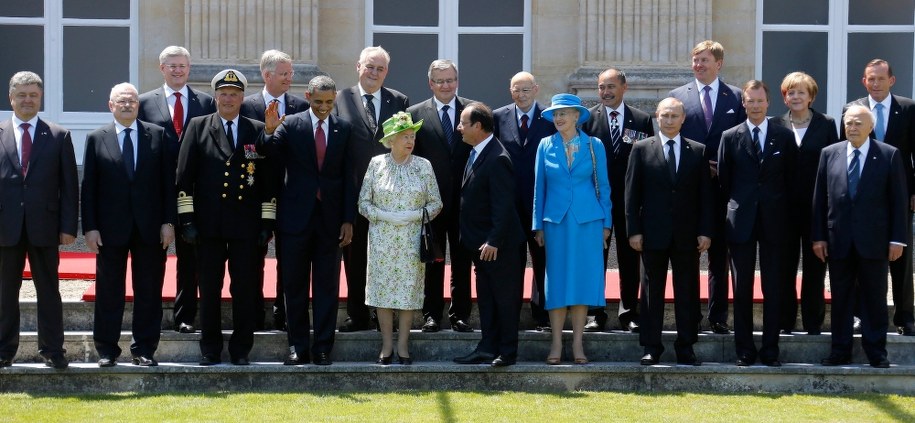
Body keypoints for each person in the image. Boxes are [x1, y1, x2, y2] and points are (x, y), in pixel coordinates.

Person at [176, 69, 276, 366]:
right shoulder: (197, 126)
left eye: (234, 94)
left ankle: (241, 349)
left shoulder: (257, 128)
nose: (228, 99)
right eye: (223, 94)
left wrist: (266, 222)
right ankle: (210, 348)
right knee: (209, 287)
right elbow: (183, 178)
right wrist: (187, 220)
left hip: (246, 226)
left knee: (244, 288)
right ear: (216, 96)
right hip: (209, 225)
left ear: (242, 98)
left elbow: (268, 179)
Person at [258, 75, 354, 366]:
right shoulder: (291, 124)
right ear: (307, 96)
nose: (324, 107)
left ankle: (323, 347)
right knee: (294, 286)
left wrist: (348, 219)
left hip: (331, 220)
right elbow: (268, 158)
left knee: (327, 287)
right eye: (318, 101)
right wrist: (268, 132)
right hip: (294, 220)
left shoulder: (344, 128)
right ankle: (297, 347)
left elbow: (349, 177)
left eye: (329, 102)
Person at [82, 83, 176, 367]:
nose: (127, 105)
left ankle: (144, 349)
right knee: (109, 290)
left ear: (138, 105)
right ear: (110, 105)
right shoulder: (97, 137)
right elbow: (89, 187)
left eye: (132, 101)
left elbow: (168, 185)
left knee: (149, 290)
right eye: (121, 101)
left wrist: (168, 222)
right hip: (110, 228)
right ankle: (107, 350)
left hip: (150, 227)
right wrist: (90, 226)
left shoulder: (157, 135)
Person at [813, 105, 907, 368]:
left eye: (857, 123)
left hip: (875, 242)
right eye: (848, 123)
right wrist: (819, 237)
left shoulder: (888, 155)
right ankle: (839, 350)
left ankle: (876, 352)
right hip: (838, 239)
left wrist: (897, 239)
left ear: (870, 127)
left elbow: (898, 201)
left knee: (875, 297)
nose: (851, 128)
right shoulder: (829, 154)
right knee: (841, 297)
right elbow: (820, 199)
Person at [0, 71, 79, 370]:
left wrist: (69, 227)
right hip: (6, 226)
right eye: (22, 94)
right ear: (11, 97)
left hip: (45, 226)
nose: (27, 100)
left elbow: (69, 186)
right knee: (5, 292)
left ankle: (53, 351)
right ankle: (3, 350)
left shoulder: (58, 135)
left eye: (33, 94)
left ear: (40, 97)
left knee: (48, 291)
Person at [627, 97, 713, 366]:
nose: (669, 120)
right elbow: (631, 195)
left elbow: (705, 196)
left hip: (688, 235)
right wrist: (634, 231)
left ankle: (686, 346)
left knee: (687, 292)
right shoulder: (641, 149)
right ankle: (652, 347)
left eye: (674, 116)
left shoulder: (697, 151)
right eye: (665, 115)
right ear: (657, 116)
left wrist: (705, 231)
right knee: (652, 293)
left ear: (683, 118)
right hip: (652, 233)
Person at [668, 40, 746, 334]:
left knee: (719, 255)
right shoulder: (678, 97)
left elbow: (740, 141)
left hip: (724, 188)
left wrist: (721, 167)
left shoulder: (736, 97)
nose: (698, 65)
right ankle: (689, 317)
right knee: (687, 255)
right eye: (695, 60)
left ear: (719, 64)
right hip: (688, 189)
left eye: (704, 60)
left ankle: (717, 317)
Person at [717, 80, 796, 367]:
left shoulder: (783, 136)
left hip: (775, 222)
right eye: (750, 101)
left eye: (759, 101)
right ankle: (745, 350)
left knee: (773, 286)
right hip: (741, 221)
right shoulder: (730, 136)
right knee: (741, 289)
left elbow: (791, 179)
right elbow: (725, 181)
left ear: (769, 102)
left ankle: (771, 349)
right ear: (743, 104)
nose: (755, 106)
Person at [138, 45, 216, 334]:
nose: (177, 70)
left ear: (189, 68)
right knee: (151, 258)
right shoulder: (145, 102)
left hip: (192, 192)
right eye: (172, 65)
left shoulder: (206, 102)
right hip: (155, 191)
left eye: (182, 65)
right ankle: (151, 315)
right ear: (162, 69)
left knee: (190, 258)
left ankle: (185, 316)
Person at [335, 46, 410, 332]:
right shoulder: (341, 98)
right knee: (354, 257)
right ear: (358, 67)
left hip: (389, 194)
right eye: (369, 66)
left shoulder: (398, 100)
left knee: (386, 256)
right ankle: (357, 314)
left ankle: (383, 316)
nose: (374, 73)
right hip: (352, 192)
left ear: (386, 72)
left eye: (380, 68)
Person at [533, 93, 612, 365]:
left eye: (564, 113)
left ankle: (578, 344)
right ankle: (556, 344)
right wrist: (537, 225)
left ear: (577, 116)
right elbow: (538, 189)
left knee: (582, 282)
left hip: (588, 221)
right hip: (554, 222)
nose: (559, 118)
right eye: (555, 114)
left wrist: (607, 223)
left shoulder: (594, 145)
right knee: (556, 282)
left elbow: (604, 186)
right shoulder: (545, 145)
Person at [359, 112, 442, 365]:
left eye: (412, 136)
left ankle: (403, 345)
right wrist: (383, 215)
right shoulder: (376, 164)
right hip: (382, 239)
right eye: (404, 137)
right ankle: (386, 345)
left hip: (410, 239)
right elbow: (363, 202)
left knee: (408, 292)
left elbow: (437, 202)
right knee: (383, 292)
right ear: (391, 140)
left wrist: (414, 215)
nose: (410, 141)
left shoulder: (423, 166)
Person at [841, 59, 915, 337]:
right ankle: (860, 315)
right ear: (864, 81)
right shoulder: (852, 109)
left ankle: (905, 316)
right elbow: (843, 153)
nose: (875, 84)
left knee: (901, 256)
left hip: (899, 194)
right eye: (870, 79)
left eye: (880, 79)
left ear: (892, 80)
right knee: (860, 253)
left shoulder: (908, 108)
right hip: (861, 196)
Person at [240, 49, 311, 332]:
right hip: (255, 193)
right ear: (266, 75)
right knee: (252, 257)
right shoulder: (246, 106)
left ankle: (284, 313)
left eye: (291, 73)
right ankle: (255, 313)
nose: (289, 78)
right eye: (284, 74)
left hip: (291, 193)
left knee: (290, 258)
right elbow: (243, 150)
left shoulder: (299, 106)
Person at [453, 102, 525, 367]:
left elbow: (503, 204)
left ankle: (506, 352)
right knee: (486, 299)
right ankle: (487, 346)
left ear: (478, 126)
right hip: (480, 245)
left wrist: (494, 240)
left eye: (463, 123)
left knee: (504, 299)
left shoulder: (498, 158)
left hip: (498, 246)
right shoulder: (476, 152)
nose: (459, 127)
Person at [582, 68, 655, 332]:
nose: (606, 92)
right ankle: (595, 313)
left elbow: (646, 161)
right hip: (596, 201)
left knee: (629, 258)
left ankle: (629, 313)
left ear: (624, 87)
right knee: (595, 256)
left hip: (629, 203)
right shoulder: (587, 120)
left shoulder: (642, 119)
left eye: (611, 86)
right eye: (601, 87)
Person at [409, 59, 476, 333]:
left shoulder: (473, 111)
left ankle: (460, 314)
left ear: (457, 81)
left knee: (462, 261)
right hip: (430, 203)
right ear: (430, 84)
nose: (445, 85)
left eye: (450, 80)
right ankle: (431, 315)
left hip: (464, 201)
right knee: (433, 260)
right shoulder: (414, 114)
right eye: (440, 81)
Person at [771, 72, 838, 335]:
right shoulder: (775, 124)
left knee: (815, 268)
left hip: (816, 208)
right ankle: (785, 323)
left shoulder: (826, 124)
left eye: (801, 92)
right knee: (783, 268)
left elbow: (834, 165)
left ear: (811, 96)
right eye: (790, 92)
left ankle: (813, 324)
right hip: (783, 210)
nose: (795, 96)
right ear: (784, 97)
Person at [492, 72, 556, 331]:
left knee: (542, 259)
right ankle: (511, 314)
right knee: (511, 262)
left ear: (536, 89)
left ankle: (541, 315)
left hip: (541, 201)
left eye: (526, 90)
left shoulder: (550, 118)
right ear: (510, 91)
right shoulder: (498, 117)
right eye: (516, 90)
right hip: (509, 203)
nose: (521, 94)